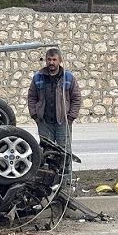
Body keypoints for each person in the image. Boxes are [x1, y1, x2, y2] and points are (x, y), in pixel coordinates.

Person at [27, 48, 82, 178]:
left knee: (64, 153)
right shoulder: (38, 78)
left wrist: (71, 117)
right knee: (46, 153)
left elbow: (76, 98)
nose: (51, 62)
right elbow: (31, 97)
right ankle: (47, 181)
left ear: (60, 61)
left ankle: (66, 181)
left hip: (63, 122)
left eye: (54, 60)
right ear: (46, 60)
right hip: (44, 122)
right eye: (49, 59)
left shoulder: (68, 78)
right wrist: (35, 116)